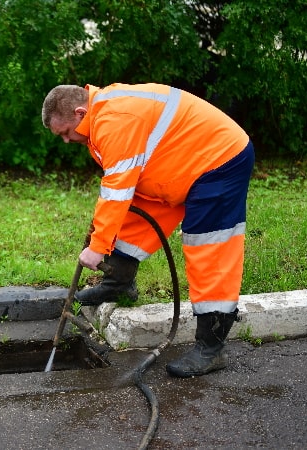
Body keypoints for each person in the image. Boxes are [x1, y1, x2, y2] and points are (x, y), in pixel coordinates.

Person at [42, 83, 254, 377]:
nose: (66, 140)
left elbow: (117, 189)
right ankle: (120, 283)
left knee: (207, 249)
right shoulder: (99, 115)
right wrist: (102, 231)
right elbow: (119, 186)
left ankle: (210, 348)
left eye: (66, 132)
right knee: (133, 220)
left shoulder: (114, 119)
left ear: (80, 112)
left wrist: (97, 247)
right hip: (176, 166)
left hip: (218, 161)